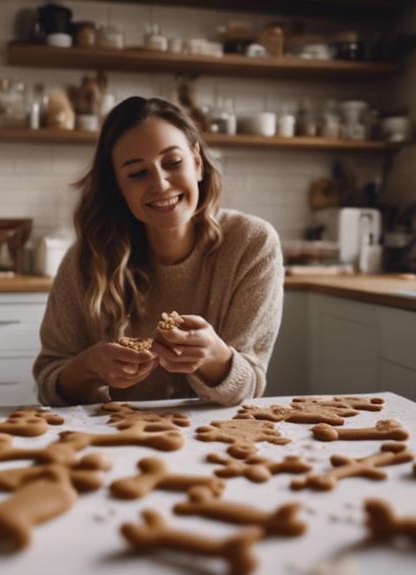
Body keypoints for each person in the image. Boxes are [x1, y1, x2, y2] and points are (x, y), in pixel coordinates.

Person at [32, 96, 284, 406]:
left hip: (216, 441)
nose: (161, 184)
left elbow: (250, 387)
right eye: (137, 173)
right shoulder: (87, 259)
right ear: (118, 188)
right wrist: (90, 368)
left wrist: (214, 356)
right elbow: (48, 382)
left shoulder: (251, 245)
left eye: (173, 163)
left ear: (198, 164)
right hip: (111, 439)